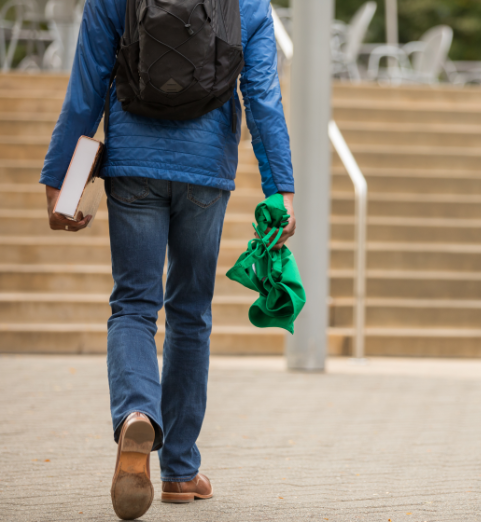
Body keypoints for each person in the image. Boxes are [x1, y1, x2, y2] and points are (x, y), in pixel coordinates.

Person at [39, 0, 295, 518]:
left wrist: (58, 176)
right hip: (206, 171)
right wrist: (280, 188)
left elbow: (86, 88)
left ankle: (137, 410)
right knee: (190, 314)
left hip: (134, 165)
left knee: (134, 305)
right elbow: (263, 96)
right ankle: (179, 470)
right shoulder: (250, 3)